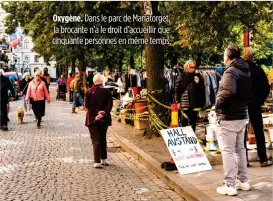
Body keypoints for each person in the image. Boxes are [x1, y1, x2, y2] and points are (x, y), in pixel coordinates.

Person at [216, 44, 251, 196]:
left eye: (224, 54)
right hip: (242, 114)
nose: (223, 58)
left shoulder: (230, 71)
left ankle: (229, 184)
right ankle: (243, 181)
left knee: (228, 150)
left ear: (229, 56)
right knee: (240, 149)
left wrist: (217, 105)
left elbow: (229, 92)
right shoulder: (245, 70)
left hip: (230, 116)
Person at [242, 47, 272, 167]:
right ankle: (263, 159)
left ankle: (244, 161)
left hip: (242, 104)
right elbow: (266, 87)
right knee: (259, 131)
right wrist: (259, 100)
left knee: (242, 133)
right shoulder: (258, 70)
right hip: (254, 103)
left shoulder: (239, 69)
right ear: (253, 56)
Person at [85, 73, 113, 168]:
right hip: (104, 118)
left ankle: (97, 161)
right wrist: (103, 113)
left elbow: (88, 106)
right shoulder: (107, 91)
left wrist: (97, 113)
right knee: (103, 138)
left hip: (92, 118)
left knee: (95, 139)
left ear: (94, 81)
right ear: (101, 81)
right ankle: (104, 159)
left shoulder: (88, 91)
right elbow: (109, 105)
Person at [174, 60, 205, 132]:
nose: (193, 69)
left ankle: (192, 136)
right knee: (184, 121)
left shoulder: (198, 76)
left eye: (194, 67)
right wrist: (177, 102)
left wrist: (198, 83)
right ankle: (185, 137)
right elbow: (176, 91)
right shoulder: (181, 76)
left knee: (193, 121)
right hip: (184, 102)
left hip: (194, 103)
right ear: (187, 67)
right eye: (191, 67)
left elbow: (202, 89)